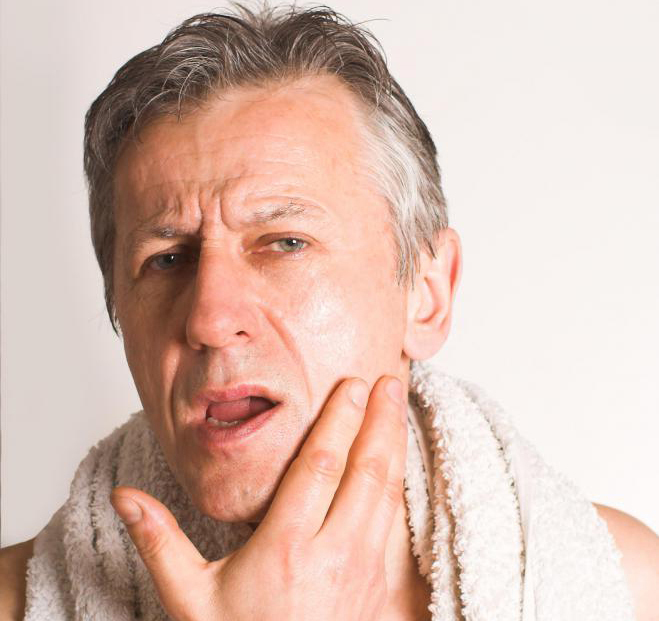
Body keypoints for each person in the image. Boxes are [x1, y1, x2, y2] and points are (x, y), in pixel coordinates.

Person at [1, 4, 657, 620]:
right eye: (167, 258)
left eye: (285, 242)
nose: (208, 319)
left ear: (427, 292)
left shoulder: (626, 590)